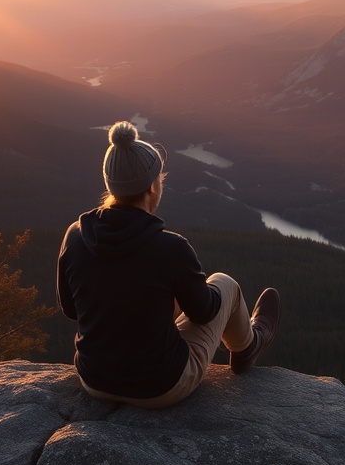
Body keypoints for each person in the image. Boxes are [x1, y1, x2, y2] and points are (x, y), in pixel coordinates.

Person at [56, 120, 280, 408]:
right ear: (152, 188)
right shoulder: (171, 247)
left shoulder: (75, 235)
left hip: (94, 380)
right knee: (225, 284)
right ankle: (248, 346)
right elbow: (203, 312)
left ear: (109, 184)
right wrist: (194, 289)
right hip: (160, 386)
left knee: (150, 294)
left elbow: (71, 308)